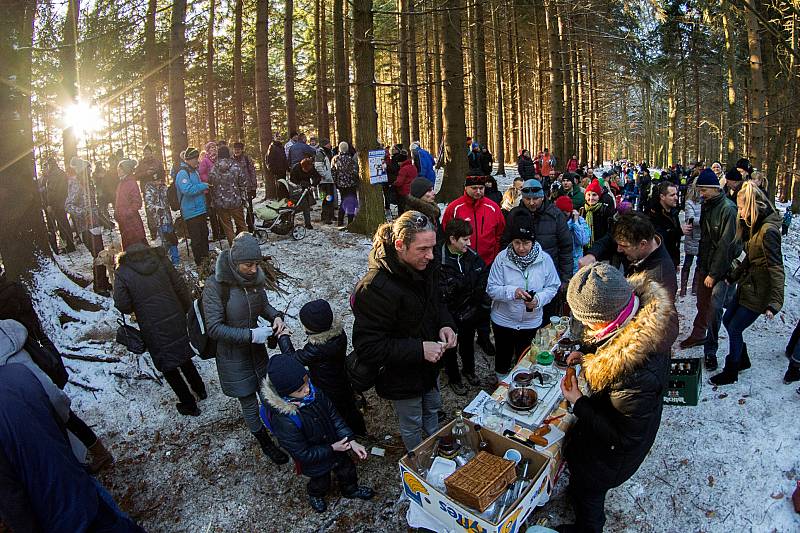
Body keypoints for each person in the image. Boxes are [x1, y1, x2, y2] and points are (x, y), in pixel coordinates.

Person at [557, 263, 678, 533]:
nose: (583, 326)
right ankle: (579, 497)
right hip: (611, 438)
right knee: (581, 486)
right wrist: (587, 351)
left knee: (590, 491)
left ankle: (588, 527)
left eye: (584, 320)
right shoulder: (634, 312)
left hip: (610, 458)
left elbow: (622, 437)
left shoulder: (635, 373)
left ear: (601, 318)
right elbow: (611, 338)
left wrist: (578, 402)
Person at [352, 211, 457, 451]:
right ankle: (418, 459)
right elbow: (368, 347)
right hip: (401, 376)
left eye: (433, 247)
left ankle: (436, 447)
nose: (431, 256)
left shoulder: (425, 266)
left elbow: (435, 303)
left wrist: (446, 324)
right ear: (400, 245)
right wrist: (419, 349)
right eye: (422, 249)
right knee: (412, 423)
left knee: (433, 408)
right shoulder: (374, 288)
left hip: (430, 367)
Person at [0, 364, 146, 533]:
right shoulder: (19, 372)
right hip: (79, 487)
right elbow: (59, 427)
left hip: (54, 516)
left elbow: (11, 498)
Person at [202, 232, 289, 464]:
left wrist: (276, 317)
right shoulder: (215, 286)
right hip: (233, 358)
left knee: (269, 394)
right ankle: (265, 442)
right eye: (248, 265)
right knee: (249, 401)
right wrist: (251, 335)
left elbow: (264, 305)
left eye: (256, 264)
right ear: (234, 261)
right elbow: (214, 328)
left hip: (256, 353)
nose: (253, 270)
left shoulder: (254, 279)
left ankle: (283, 432)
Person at [262, 354, 373, 513]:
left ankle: (350, 489)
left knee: (347, 470)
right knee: (321, 481)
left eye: (306, 381)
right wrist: (332, 448)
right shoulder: (285, 420)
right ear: (285, 394)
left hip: (336, 446)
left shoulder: (315, 393)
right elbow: (302, 453)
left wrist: (351, 440)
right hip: (316, 460)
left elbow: (334, 417)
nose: (307, 389)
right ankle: (315, 494)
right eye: (300, 389)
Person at [113, 242, 207, 414]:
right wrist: (186, 308)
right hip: (175, 315)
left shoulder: (122, 271)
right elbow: (179, 284)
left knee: (167, 363)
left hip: (151, 325)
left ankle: (188, 403)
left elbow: (123, 305)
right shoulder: (161, 259)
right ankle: (200, 389)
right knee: (182, 353)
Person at [710, 182, 785, 385]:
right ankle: (742, 359)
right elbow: (750, 258)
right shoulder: (754, 226)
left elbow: (777, 268)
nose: (740, 212)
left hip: (760, 292)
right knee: (728, 321)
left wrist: (775, 303)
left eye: (742, 208)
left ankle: (731, 370)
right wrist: (733, 276)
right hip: (747, 286)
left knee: (734, 328)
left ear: (752, 206)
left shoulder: (768, 232)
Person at [678, 169, 741, 371]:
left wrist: (713, 274)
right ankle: (698, 334)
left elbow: (725, 246)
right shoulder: (708, 205)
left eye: (703, 190)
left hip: (719, 271)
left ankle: (710, 350)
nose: (701, 194)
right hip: (704, 265)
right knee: (702, 303)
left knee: (714, 310)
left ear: (714, 188)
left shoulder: (728, 210)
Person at [275, 299, 367, 436]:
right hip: (342, 378)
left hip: (327, 386)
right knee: (349, 408)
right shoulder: (338, 333)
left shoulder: (317, 348)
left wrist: (283, 338)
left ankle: (346, 436)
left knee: (336, 412)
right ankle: (360, 431)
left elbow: (293, 360)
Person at [488, 218, 560, 381]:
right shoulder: (501, 259)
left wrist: (538, 300)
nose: (521, 248)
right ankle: (501, 384)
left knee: (526, 356)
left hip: (531, 321)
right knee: (503, 356)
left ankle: (522, 383)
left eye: (526, 243)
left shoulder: (545, 260)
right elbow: (491, 289)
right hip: (503, 319)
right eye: (517, 242)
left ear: (533, 242)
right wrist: (513, 292)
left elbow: (553, 286)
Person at [503, 178, 573, 318]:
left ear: (543, 196)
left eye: (536, 198)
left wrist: (565, 279)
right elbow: (505, 244)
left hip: (548, 276)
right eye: (528, 199)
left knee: (547, 318)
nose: (532, 202)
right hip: (519, 277)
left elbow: (565, 248)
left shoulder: (555, 215)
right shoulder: (515, 215)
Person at [439, 219, 491, 394]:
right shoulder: (439, 260)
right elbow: (436, 292)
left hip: (469, 311)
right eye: (465, 239)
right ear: (453, 239)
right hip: (449, 314)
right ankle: (454, 377)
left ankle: (469, 370)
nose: (469, 243)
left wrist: (477, 302)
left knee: (467, 343)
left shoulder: (472, 257)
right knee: (449, 347)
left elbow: (483, 277)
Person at [580, 213, 678, 298]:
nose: (618, 249)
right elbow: (609, 240)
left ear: (642, 244)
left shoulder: (660, 281)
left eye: (623, 246)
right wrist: (591, 255)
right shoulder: (638, 232)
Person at [441, 169, 506, 267]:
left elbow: (500, 233)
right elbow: (446, 233)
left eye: (481, 188)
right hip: (461, 263)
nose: (478, 191)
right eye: (474, 188)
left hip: (488, 262)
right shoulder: (454, 207)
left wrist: (495, 255)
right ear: (466, 187)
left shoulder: (493, 208)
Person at [65, 158, 111, 294]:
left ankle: (103, 281)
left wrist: (101, 217)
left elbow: (93, 204)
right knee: (97, 255)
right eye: (88, 169)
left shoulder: (89, 184)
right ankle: (99, 286)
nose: (90, 171)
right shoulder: (76, 184)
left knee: (101, 253)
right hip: (85, 226)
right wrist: (83, 212)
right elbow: (68, 205)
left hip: (95, 224)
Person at [175, 147, 210, 265]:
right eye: (195, 159)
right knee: (196, 239)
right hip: (191, 212)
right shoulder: (182, 173)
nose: (197, 161)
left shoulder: (194, 171)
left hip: (200, 209)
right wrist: (203, 186)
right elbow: (187, 190)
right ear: (189, 159)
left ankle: (206, 259)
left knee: (204, 234)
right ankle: (200, 263)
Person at [209, 145, 248, 244]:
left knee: (227, 227)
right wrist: (244, 198)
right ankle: (247, 246)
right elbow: (242, 184)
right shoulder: (236, 166)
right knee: (241, 224)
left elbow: (211, 186)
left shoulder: (214, 169)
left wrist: (214, 201)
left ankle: (233, 247)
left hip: (221, 203)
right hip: (235, 201)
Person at [143, 172, 180, 266]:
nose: (159, 182)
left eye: (160, 180)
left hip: (168, 218)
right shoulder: (149, 190)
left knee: (172, 239)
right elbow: (149, 204)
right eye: (157, 181)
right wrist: (156, 208)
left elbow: (169, 199)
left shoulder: (164, 188)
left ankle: (176, 260)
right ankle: (165, 261)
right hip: (159, 220)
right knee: (165, 241)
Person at [43, 158, 76, 252]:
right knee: (64, 223)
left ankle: (69, 245)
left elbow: (52, 191)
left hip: (57, 203)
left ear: (50, 165)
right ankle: (69, 244)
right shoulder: (61, 173)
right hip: (63, 201)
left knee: (63, 224)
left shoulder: (53, 175)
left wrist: (50, 204)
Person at [134, 144, 167, 240]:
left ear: (151, 153)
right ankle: (153, 231)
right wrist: (146, 173)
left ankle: (163, 227)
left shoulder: (157, 162)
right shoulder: (141, 164)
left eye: (148, 152)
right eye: (145, 153)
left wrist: (161, 181)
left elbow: (163, 172)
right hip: (146, 190)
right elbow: (136, 176)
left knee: (161, 208)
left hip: (158, 189)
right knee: (149, 210)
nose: (147, 154)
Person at [114, 159, 148, 250]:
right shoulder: (121, 183)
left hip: (132, 222)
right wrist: (117, 213)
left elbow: (137, 203)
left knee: (137, 248)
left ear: (126, 170)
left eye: (120, 170)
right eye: (118, 169)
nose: (118, 171)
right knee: (128, 248)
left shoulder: (131, 183)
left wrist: (126, 213)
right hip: (124, 223)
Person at [648, 181, 682, 267]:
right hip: (658, 263)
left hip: (671, 261)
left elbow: (675, 242)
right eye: (672, 195)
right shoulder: (653, 214)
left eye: (676, 194)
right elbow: (658, 238)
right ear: (662, 197)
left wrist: (676, 261)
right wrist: (678, 231)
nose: (676, 198)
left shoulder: (673, 212)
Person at [555, 196, 590, 274]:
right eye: (561, 211)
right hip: (560, 262)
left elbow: (583, 241)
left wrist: (576, 223)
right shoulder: (554, 222)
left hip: (576, 263)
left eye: (566, 211)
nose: (563, 214)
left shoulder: (580, 221)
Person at [198, 141, 223, 242]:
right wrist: (209, 180)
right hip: (210, 189)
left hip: (220, 188)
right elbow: (201, 173)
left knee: (221, 210)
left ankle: (223, 231)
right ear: (208, 150)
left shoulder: (219, 159)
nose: (213, 149)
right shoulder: (205, 161)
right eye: (211, 148)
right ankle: (216, 233)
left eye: (214, 148)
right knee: (212, 212)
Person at [331, 142, 360, 226]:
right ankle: (350, 222)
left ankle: (340, 221)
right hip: (351, 184)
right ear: (347, 149)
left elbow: (333, 172)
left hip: (341, 185)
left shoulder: (335, 159)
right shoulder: (351, 159)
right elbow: (355, 172)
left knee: (343, 202)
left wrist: (336, 182)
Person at [681, 180, 701, 297]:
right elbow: (690, 218)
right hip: (692, 236)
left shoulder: (706, 202)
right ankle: (683, 287)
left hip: (702, 237)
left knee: (699, 264)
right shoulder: (690, 202)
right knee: (687, 263)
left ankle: (695, 287)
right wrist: (704, 219)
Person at [232, 141, 258, 232]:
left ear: (242, 150)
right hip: (236, 189)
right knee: (238, 210)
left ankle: (251, 226)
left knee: (249, 208)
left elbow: (252, 173)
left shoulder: (247, 159)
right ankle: (240, 228)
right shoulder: (231, 160)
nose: (236, 151)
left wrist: (254, 187)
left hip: (247, 188)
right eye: (235, 149)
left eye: (238, 149)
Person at [290, 157, 322, 229]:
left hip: (307, 187)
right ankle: (290, 223)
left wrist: (314, 184)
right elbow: (292, 180)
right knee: (293, 207)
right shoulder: (296, 168)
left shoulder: (311, 167)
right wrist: (300, 184)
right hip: (296, 188)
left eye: (308, 170)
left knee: (306, 206)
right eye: (305, 170)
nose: (307, 171)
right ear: (302, 166)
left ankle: (308, 224)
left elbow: (317, 177)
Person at [580, 179, 613, 250]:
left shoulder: (605, 210)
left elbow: (609, 232)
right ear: (585, 196)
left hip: (601, 250)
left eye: (594, 195)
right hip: (584, 249)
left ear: (599, 197)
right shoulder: (582, 210)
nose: (591, 198)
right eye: (588, 195)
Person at [314, 139, 336, 224]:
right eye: (329, 143)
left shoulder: (330, 152)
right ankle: (325, 217)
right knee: (325, 199)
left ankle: (331, 215)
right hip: (323, 182)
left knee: (330, 199)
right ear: (325, 144)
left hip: (330, 180)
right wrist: (325, 175)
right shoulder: (320, 153)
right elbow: (318, 166)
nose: (330, 144)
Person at [267, 134, 290, 199]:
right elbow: (269, 160)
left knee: (284, 186)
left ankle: (286, 201)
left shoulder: (281, 147)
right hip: (277, 171)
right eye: (277, 137)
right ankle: (280, 201)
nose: (278, 138)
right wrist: (273, 170)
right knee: (279, 187)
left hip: (283, 170)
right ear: (274, 138)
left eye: (279, 137)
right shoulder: (272, 147)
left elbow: (284, 158)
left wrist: (287, 168)